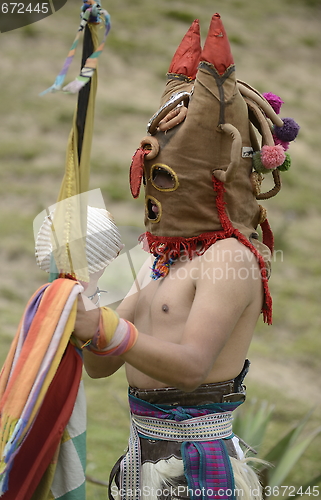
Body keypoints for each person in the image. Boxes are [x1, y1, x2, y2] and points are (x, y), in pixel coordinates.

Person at [73, 13, 299, 500]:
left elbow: (192, 365)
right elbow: (100, 365)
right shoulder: (150, 255)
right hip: (138, 464)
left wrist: (104, 328)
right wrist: (83, 300)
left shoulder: (231, 259)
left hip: (199, 474)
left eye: (169, 173)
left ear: (215, 179)